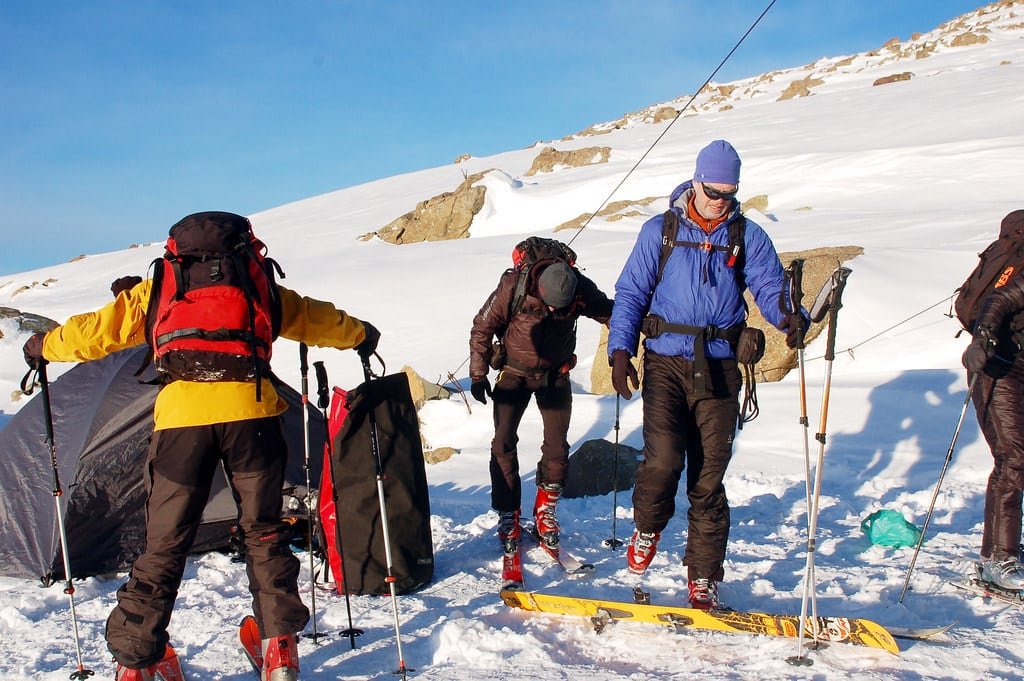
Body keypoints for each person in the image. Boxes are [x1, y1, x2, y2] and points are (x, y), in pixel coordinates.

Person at [22, 211, 380, 681]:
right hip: (253, 417)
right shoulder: (257, 284)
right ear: (245, 248)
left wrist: (42, 347)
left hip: (182, 425)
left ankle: (137, 662)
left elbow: (94, 332)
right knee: (264, 532)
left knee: (164, 544)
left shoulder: (159, 287)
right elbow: (317, 318)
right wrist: (360, 333)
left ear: (177, 250)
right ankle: (279, 650)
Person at [607, 140, 805, 609]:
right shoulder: (661, 230)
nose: (720, 199)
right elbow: (632, 292)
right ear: (696, 182)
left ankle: (702, 576)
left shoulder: (746, 235)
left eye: (729, 192)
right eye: (713, 190)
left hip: (719, 365)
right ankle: (648, 528)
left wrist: (788, 316)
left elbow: (770, 284)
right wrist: (620, 351)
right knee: (662, 463)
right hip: (666, 363)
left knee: (709, 478)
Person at [469, 254, 613, 551]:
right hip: (513, 372)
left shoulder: (579, 288)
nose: (551, 311)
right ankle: (509, 513)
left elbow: (610, 311)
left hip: (555, 375)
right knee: (503, 442)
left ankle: (545, 510)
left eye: (558, 309)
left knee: (557, 446)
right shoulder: (514, 285)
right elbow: (482, 326)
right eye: (548, 306)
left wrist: (626, 341)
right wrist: (478, 374)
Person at [961, 209, 1024, 591]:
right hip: (997, 367)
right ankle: (999, 560)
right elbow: (997, 301)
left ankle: (1001, 551)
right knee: (1014, 457)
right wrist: (983, 337)